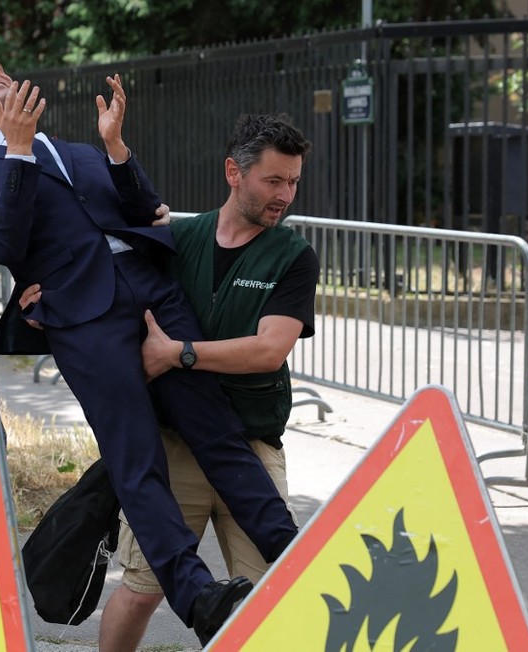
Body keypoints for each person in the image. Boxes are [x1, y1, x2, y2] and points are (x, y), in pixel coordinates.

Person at [0, 45, 298, 645]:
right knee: (136, 458)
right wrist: (18, 152)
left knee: (218, 432)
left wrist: (116, 147)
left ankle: (296, 552)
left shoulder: (81, 151)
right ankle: (198, 596)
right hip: (84, 321)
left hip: (157, 298)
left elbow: (145, 210)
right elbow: (4, 244)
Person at [97, 113, 318, 651]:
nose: (285, 195)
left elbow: (268, 350)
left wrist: (179, 354)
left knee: (271, 597)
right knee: (142, 589)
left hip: (252, 447)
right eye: (273, 180)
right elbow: (112, 289)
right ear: (233, 173)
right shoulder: (179, 238)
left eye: (293, 182)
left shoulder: (293, 256)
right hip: (176, 447)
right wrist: (41, 304)